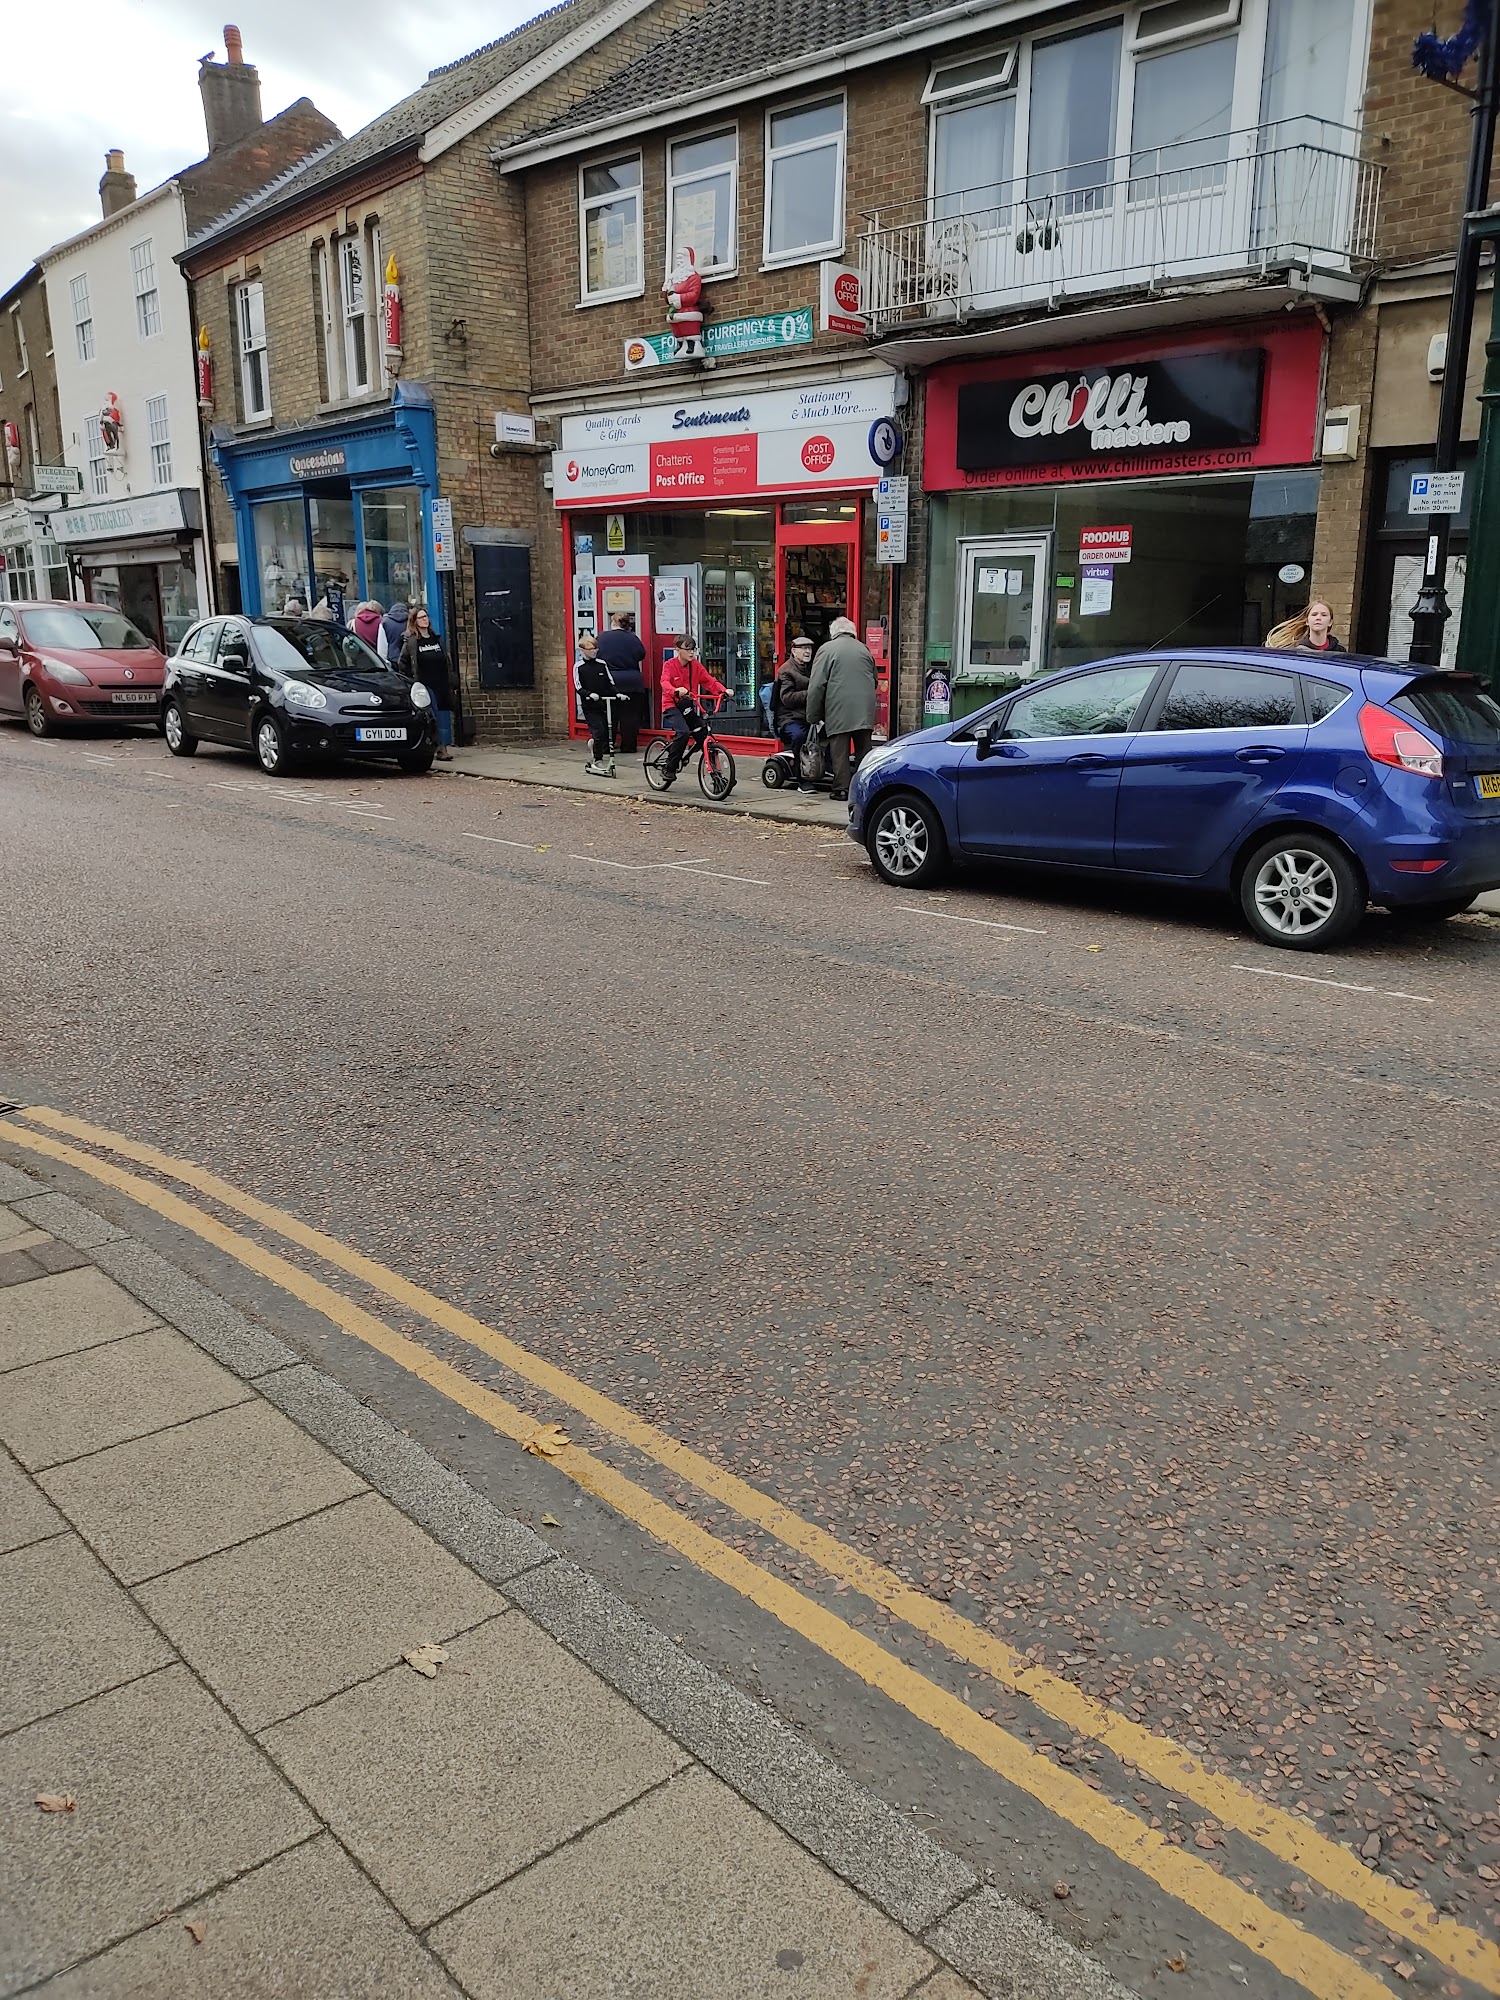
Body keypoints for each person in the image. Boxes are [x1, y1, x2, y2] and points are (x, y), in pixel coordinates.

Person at [806, 616, 878, 799]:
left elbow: (816, 685)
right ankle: (864, 787)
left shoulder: (826, 650)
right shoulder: (864, 649)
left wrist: (813, 715)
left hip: (838, 708)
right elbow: (875, 679)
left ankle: (841, 789)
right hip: (864, 709)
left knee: (839, 751)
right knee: (864, 749)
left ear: (834, 633)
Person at [658, 635, 728, 784]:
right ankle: (669, 768)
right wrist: (675, 690)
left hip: (687, 705)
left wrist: (723, 691)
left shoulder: (695, 665)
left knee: (703, 735)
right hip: (671, 705)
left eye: (693, 649)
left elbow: (708, 681)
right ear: (677, 650)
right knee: (683, 732)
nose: (691, 653)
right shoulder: (669, 665)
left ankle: (717, 777)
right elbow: (664, 682)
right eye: (687, 649)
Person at [399, 606, 455, 760]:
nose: (425, 619)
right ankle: (440, 748)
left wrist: (450, 678)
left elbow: (446, 660)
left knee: (444, 716)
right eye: (421, 617)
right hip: (425, 683)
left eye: (426, 616)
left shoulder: (436, 638)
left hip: (441, 682)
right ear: (414, 621)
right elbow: (403, 662)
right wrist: (410, 680)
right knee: (434, 715)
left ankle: (442, 744)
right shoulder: (412, 641)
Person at [597, 610, 647, 752]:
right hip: (633, 682)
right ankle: (629, 746)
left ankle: (607, 746)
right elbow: (641, 655)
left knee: (609, 716)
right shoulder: (633, 638)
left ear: (612, 622)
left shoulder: (602, 638)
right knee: (630, 717)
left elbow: (596, 656)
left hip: (610, 681)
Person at [574, 630, 621, 775]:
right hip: (589, 705)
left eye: (595, 649)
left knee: (606, 732)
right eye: (591, 649)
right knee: (599, 731)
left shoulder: (602, 664)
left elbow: (609, 682)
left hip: (604, 703)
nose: (594, 651)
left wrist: (617, 693)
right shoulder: (579, 667)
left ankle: (594, 745)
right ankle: (597, 759)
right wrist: (589, 695)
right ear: (582, 650)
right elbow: (578, 687)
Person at [1266, 600, 1345, 653]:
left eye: (1324, 615)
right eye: (1314, 614)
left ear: (1330, 622)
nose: (1318, 618)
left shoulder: (1340, 652)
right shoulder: (1298, 652)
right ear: (1307, 621)